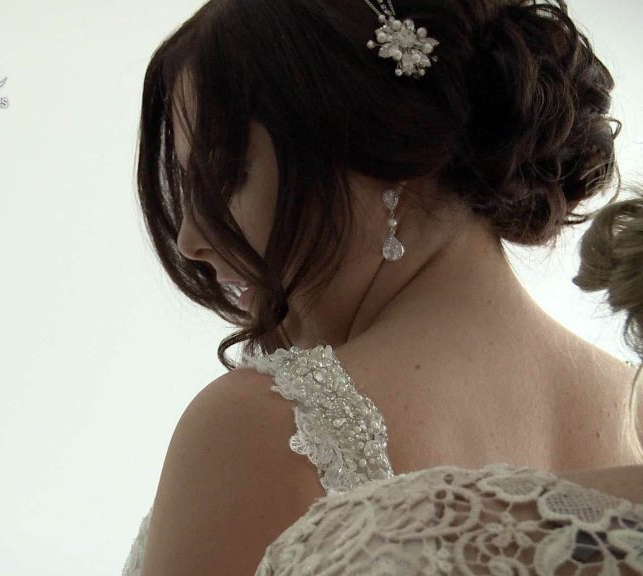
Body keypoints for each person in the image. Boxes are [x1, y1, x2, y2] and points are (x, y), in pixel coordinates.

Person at [121, 0, 643, 574]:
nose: (190, 239)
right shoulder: (629, 407)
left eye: (224, 176)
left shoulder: (265, 429)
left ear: (384, 145)